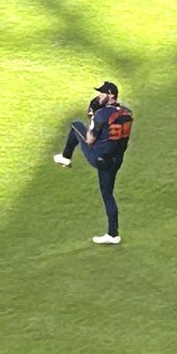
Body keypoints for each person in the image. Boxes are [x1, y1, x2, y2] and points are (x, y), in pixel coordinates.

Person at [53, 81, 133, 244]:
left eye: (102, 94)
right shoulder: (128, 113)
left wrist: (93, 119)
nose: (98, 96)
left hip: (99, 157)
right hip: (116, 160)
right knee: (107, 194)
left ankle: (65, 157)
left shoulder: (101, 115)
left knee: (76, 126)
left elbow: (89, 140)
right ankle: (113, 234)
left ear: (110, 95)